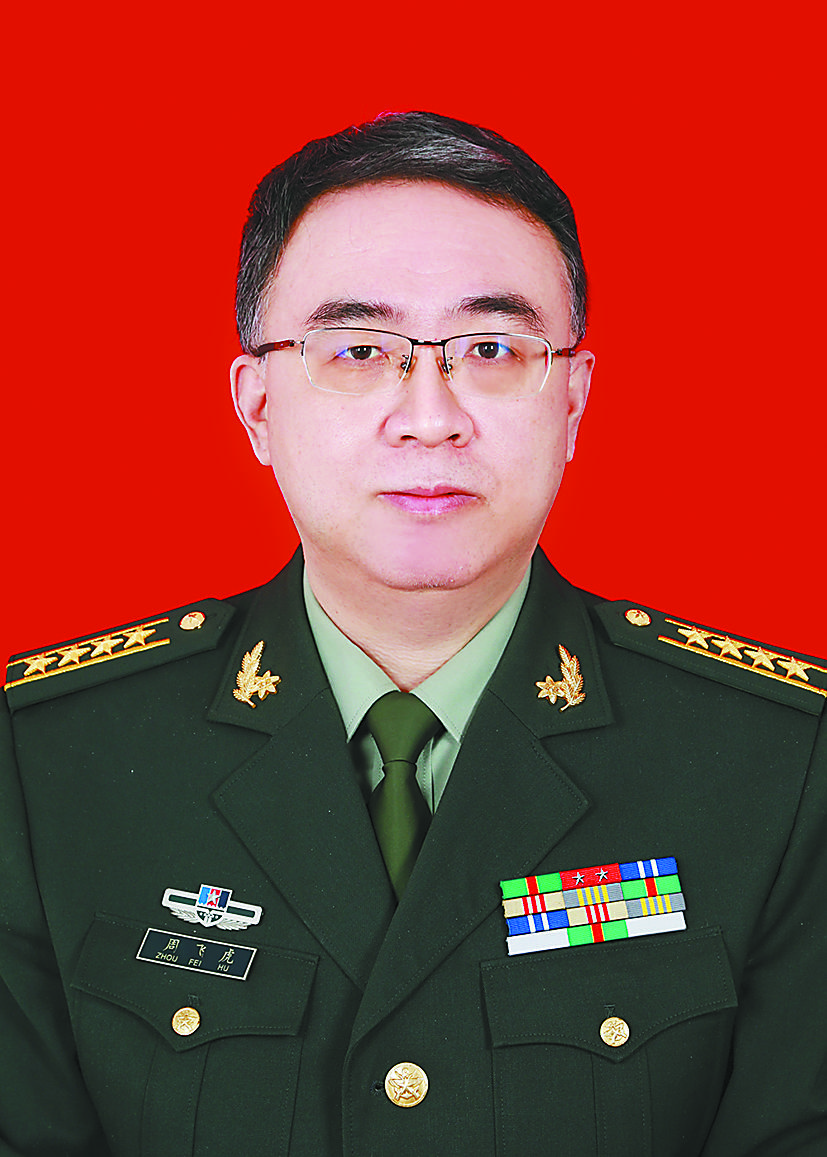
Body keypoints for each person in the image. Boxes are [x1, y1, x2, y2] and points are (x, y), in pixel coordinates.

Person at [1, 111, 826, 1157]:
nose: (429, 416)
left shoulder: (778, 763)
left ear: (573, 400)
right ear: (256, 406)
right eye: (358, 350)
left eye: (492, 349)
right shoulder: (45, 759)